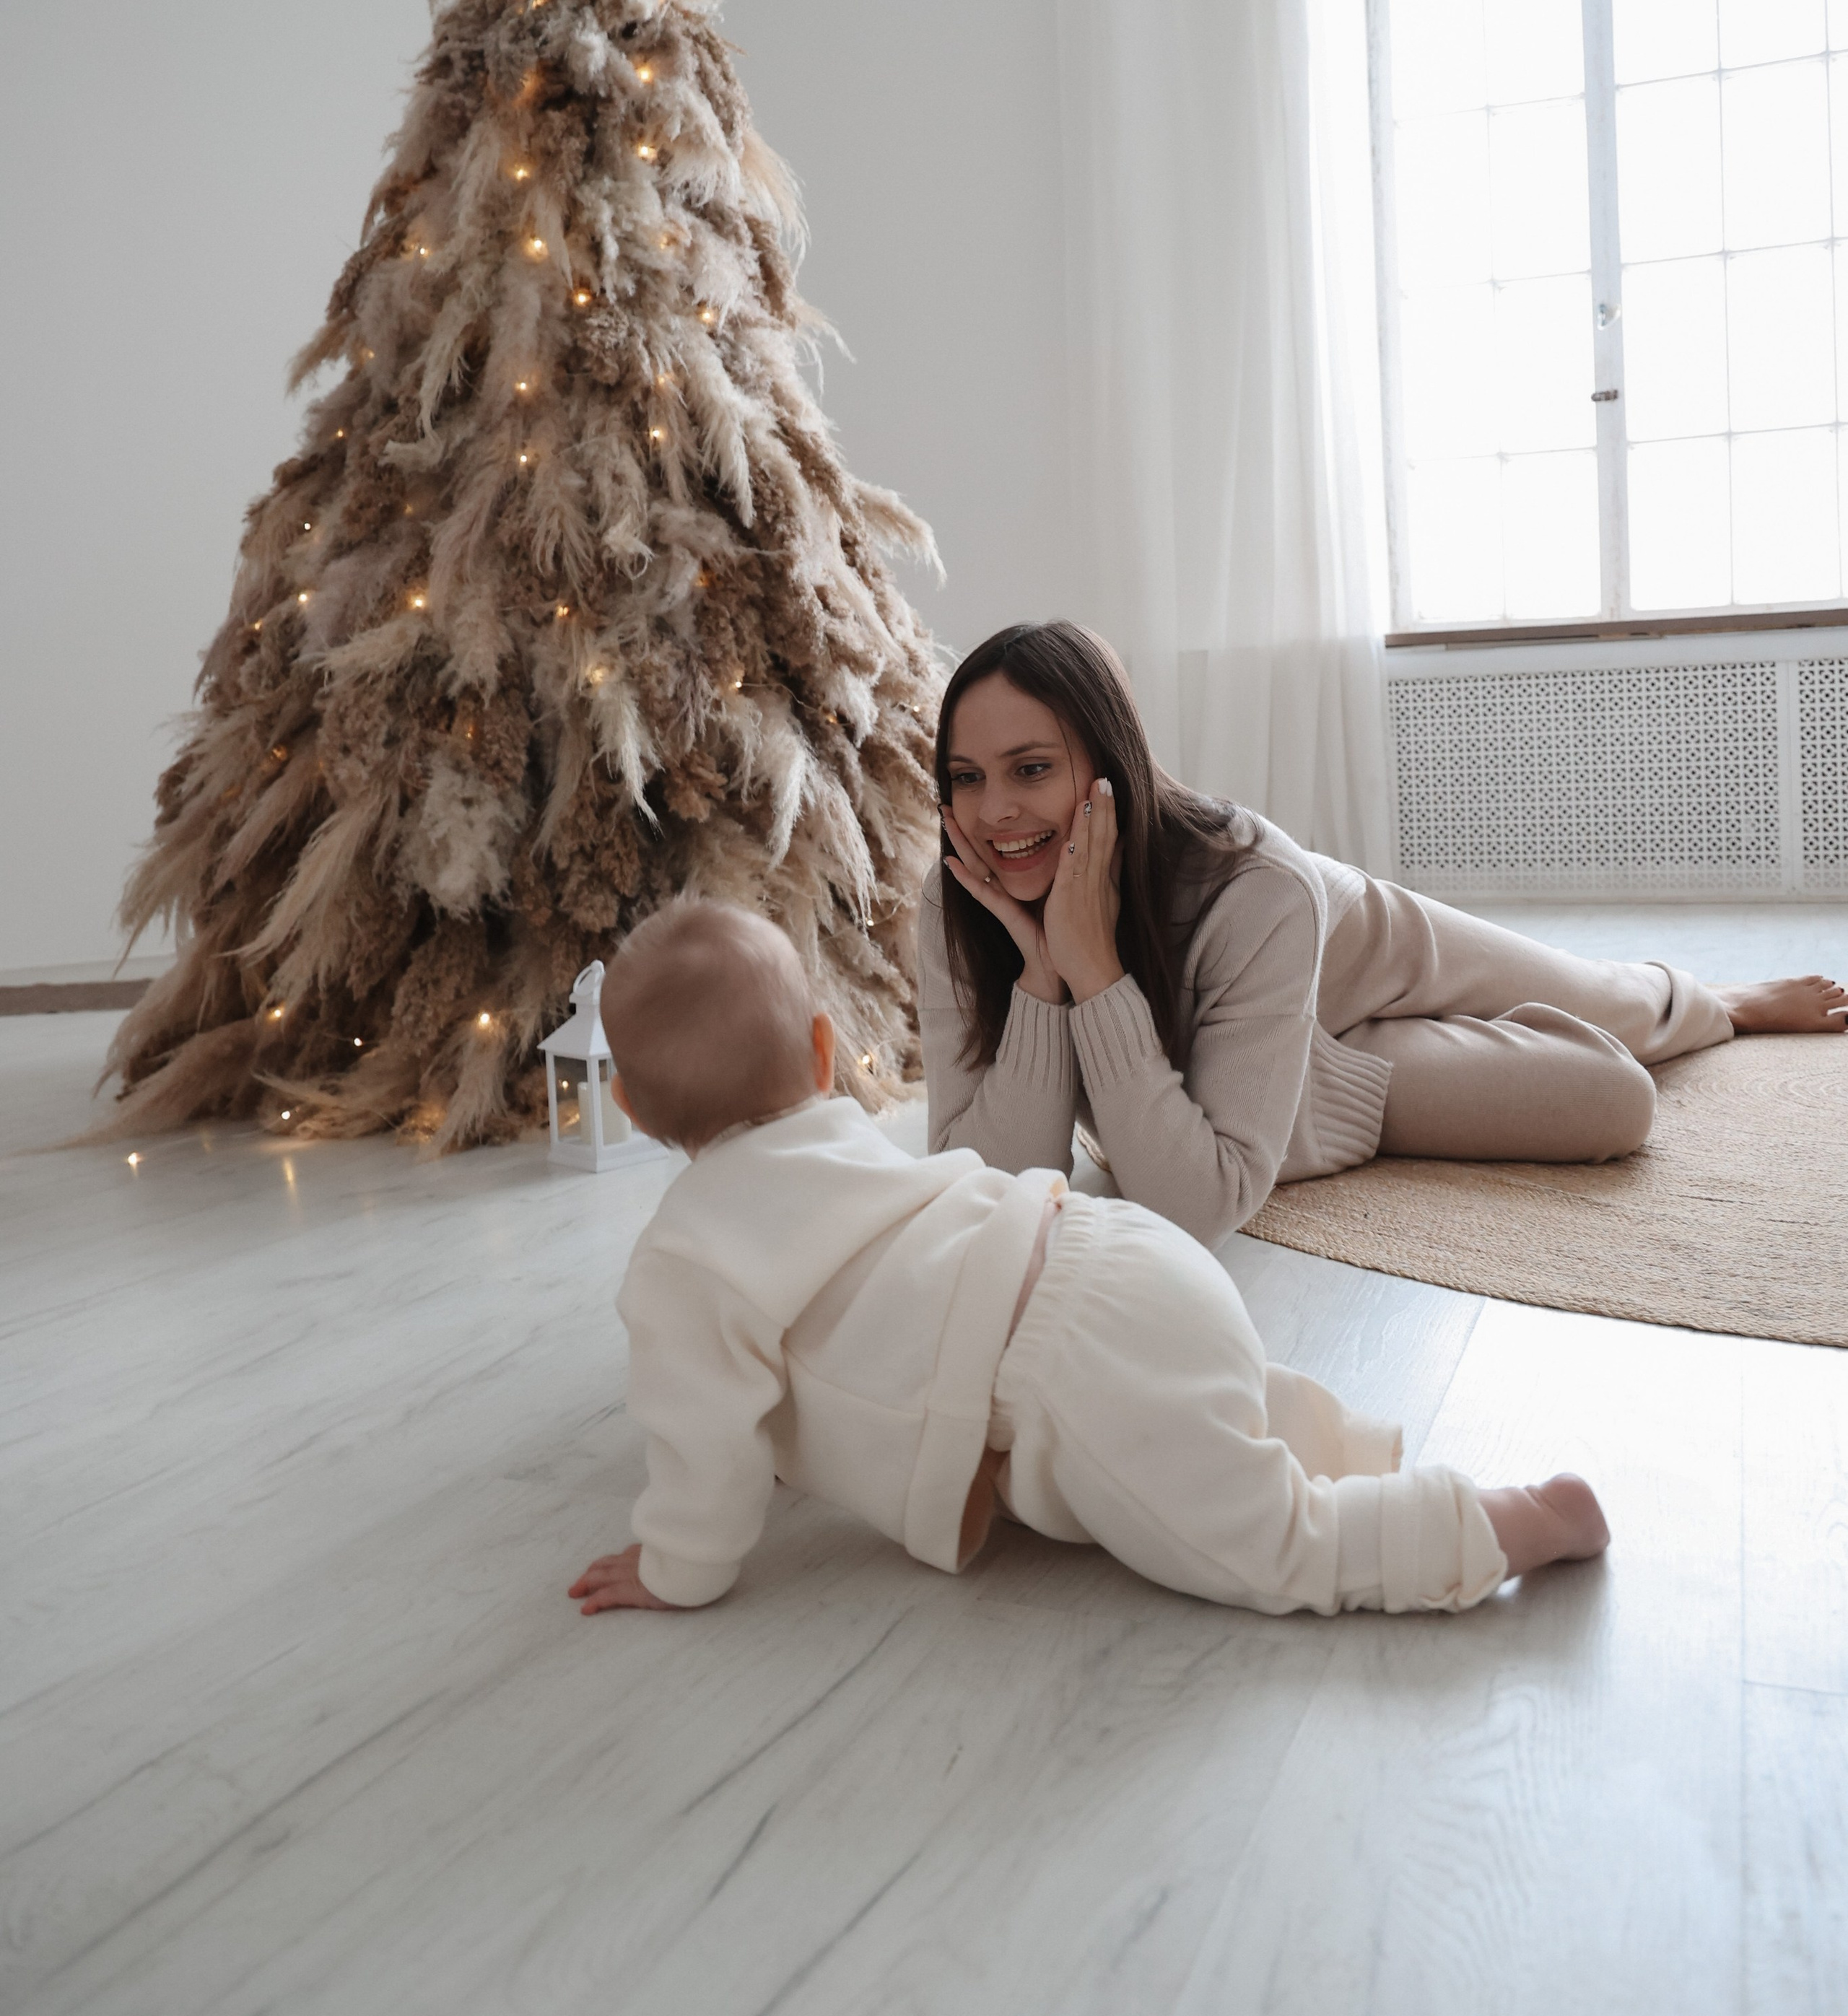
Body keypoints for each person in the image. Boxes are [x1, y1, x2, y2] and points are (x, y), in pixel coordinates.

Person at [567, 900, 1609, 1624]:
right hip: (1105, 1244)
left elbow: (706, 1436)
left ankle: (1514, 1524)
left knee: (1267, 1547)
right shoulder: (843, 1137)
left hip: (1064, 1364)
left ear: (631, 1109)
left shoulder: (685, 1257)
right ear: (824, 1051)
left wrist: (680, 1564)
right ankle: (1345, 1451)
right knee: (1219, 1403)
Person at [920, 621, 1847, 1252]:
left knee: (1606, 1003)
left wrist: (1095, 971)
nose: (995, 812)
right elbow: (992, 1185)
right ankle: (1288, 1089)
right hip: (1276, 1054)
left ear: (1106, 764)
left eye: (1030, 769)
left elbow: (1184, 1191)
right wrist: (1047, 978)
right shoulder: (964, 897)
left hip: (1348, 944)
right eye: (966, 778)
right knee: (1614, 1103)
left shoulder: (1256, 885)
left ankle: (1717, 1000)